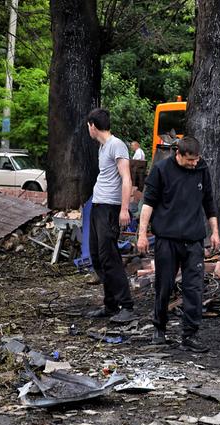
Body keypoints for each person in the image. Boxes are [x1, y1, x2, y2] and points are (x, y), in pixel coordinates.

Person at [136, 136, 219, 353]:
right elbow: (148, 204)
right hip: (167, 239)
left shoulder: (202, 169)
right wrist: (142, 234)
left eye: (196, 159)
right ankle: (159, 329)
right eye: (190, 160)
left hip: (193, 241)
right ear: (178, 154)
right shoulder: (162, 170)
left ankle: (190, 335)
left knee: (194, 288)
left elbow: (209, 202)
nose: (194, 163)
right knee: (164, 286)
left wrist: (215, 232)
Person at [85, 108, 136, 323]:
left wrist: (124, 209)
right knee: (97, 256)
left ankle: (126, 305)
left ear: (93, 126)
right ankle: (110, 304)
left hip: (110, 208)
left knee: (110, 258)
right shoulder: (103, 147)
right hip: (98, 206)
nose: (88, 129)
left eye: (88, 126)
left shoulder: (116, 145)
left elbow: (127, 178)